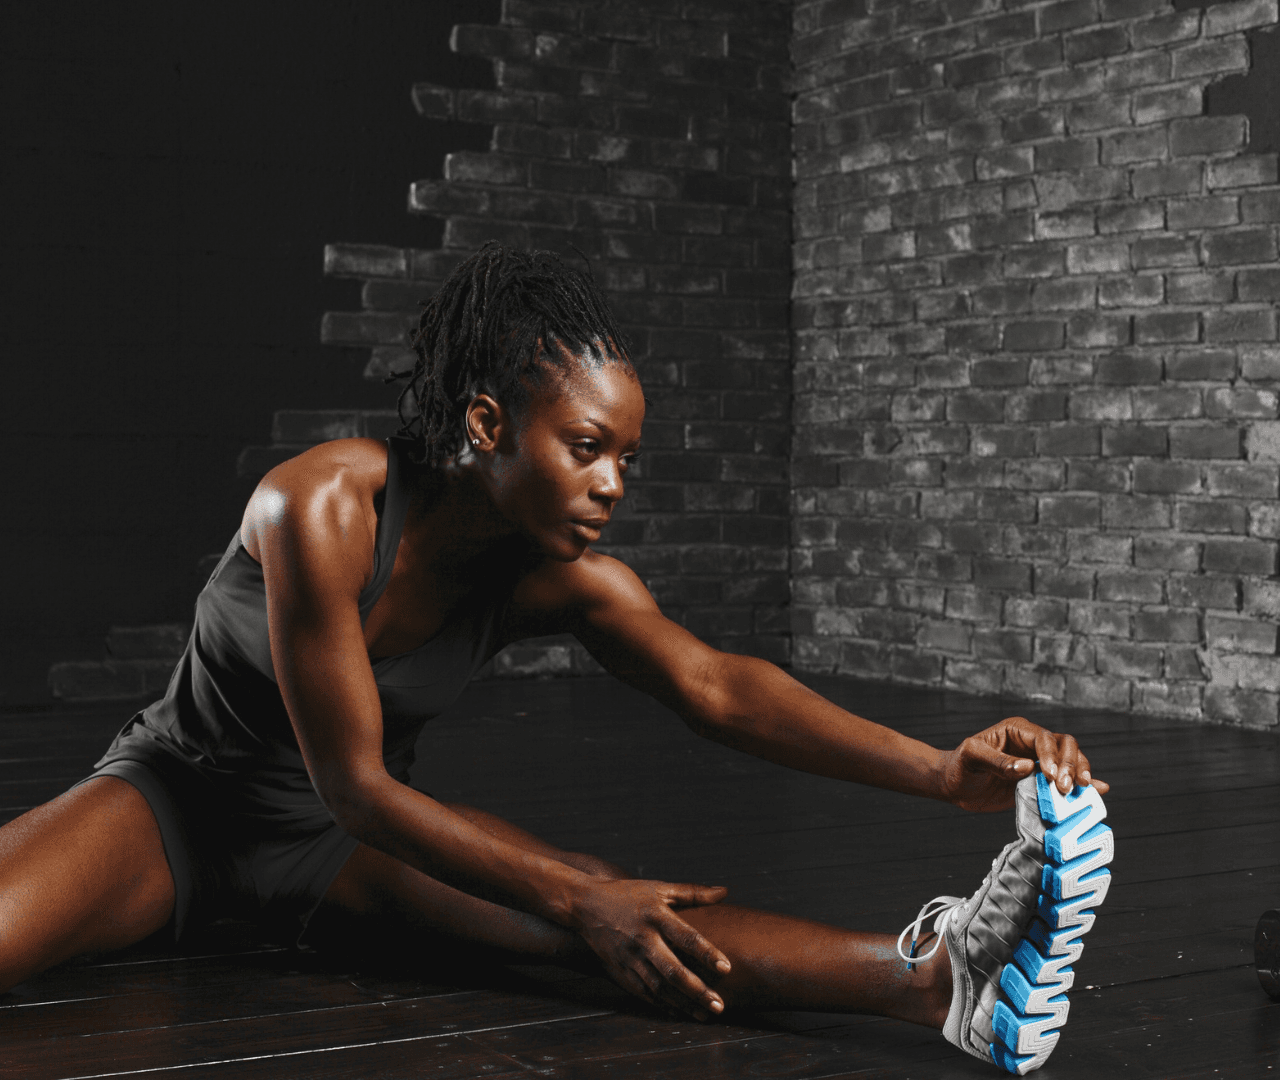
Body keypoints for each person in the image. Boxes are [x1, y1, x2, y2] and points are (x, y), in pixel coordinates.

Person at [0, 243, 1110, 1073]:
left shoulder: (563, 576)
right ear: (485, 425)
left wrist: (939, 773)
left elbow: (717, 687)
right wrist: (576, 899)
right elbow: (358, 782)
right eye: (585, 449)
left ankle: (939, 980)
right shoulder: (319, 506)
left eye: (625, 456)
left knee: (613, 910)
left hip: (336, 848)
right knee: (583, 901)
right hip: (178, 805)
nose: (612, 482)